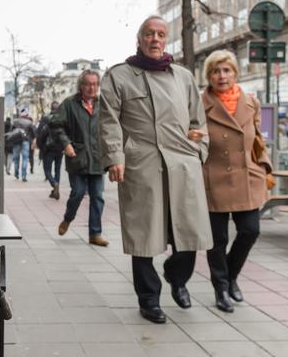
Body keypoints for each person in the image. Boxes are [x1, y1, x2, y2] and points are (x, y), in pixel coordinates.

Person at [99, 16, 212, 324]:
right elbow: (108, 120)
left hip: (182, 162)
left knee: (189, 232)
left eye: (161, 34)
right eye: (149, 34)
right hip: (142, 163)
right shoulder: (119, 76)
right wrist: (115, 157)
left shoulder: (183, 76)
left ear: (166, 39)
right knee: (143, 236)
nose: (155, 39)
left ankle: (178, 277)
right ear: (140, 39)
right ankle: (149, 299)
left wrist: (199, 151)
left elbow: (197, 121)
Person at [201, 50, 274, 313]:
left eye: (226, 70)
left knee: (250, 230)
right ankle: (221, 288)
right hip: (214, 177)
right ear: (208, 75)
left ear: (235, 73)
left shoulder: (251, 102)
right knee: (217, 239)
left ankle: (230, 277)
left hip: (246, 176)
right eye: (215, 71)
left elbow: (257, 139)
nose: (221, 76)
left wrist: (264, 165)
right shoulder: (200, 103)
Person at [51, 70, 109, 247]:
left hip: (98, 158)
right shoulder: (69, 104)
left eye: (94, 84)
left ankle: (95, 233)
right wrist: (66, 144)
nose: (91, 88)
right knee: (77, 193)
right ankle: (68, 219)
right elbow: (55, 125)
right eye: (88, 84)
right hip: (77, 157)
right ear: (81, 86)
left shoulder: (104, 104)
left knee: (97, 196)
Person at [36, 101, 64, 199]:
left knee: (47, 171)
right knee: (57, 170)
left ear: (51, 108)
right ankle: (55, 190)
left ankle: (54, 184)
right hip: (60, 148)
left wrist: (41, 147)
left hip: (48, 149)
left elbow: (39, 133)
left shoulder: (45, 118)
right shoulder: (62, 118)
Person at [11, 109, 36, 181]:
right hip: (25, 142)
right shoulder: (29, 122)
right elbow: (34, 133)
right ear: (27, 115)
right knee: (25, 159)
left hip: (16, 142)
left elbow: (11, 132)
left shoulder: (15, 121)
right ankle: (24, 176)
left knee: (16, 159)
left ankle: (16, 174)